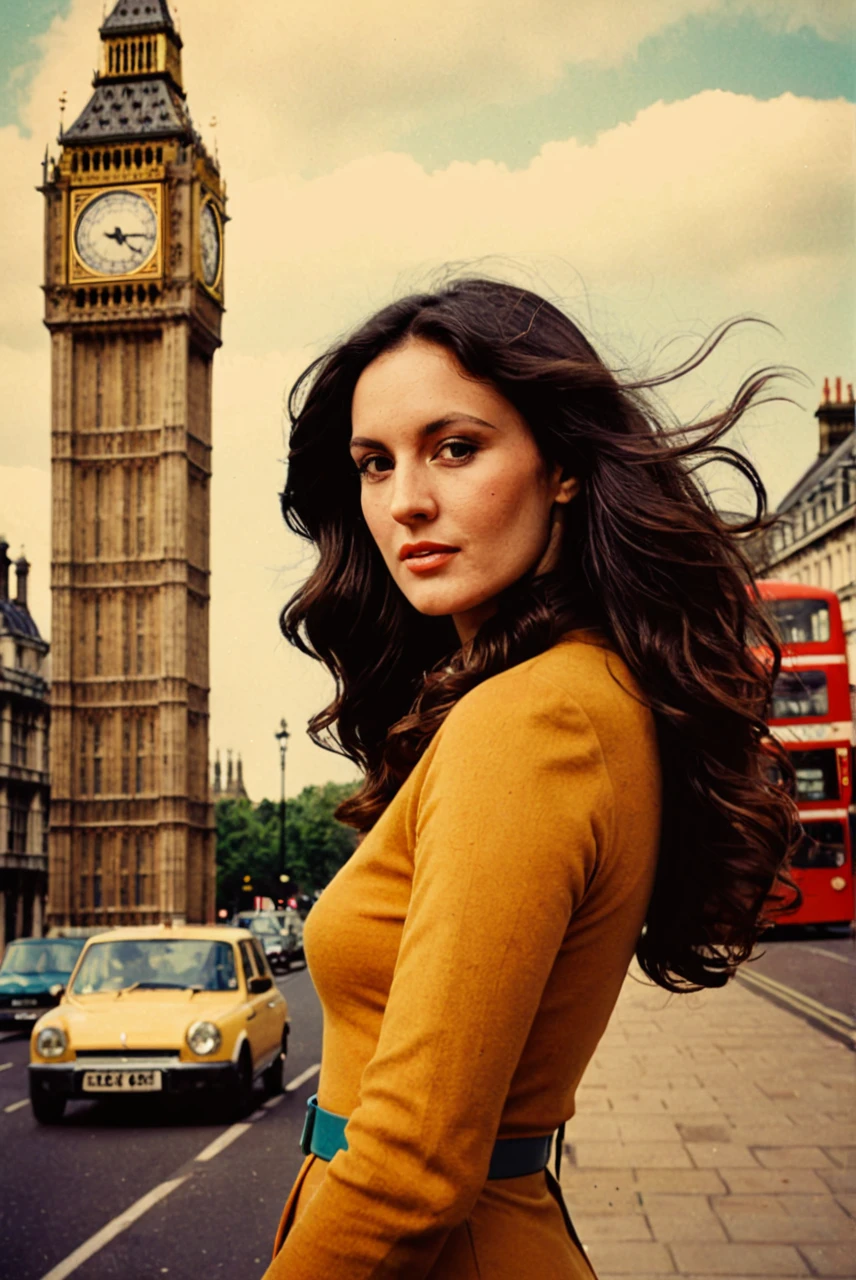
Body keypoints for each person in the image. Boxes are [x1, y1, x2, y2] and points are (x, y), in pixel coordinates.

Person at [263, 277, 800, 1279]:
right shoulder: (583, 689)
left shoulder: (530, 719)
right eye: (374, 464)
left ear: (559, 465)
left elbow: (412, 1166)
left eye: (454, 447)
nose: (405, 499)